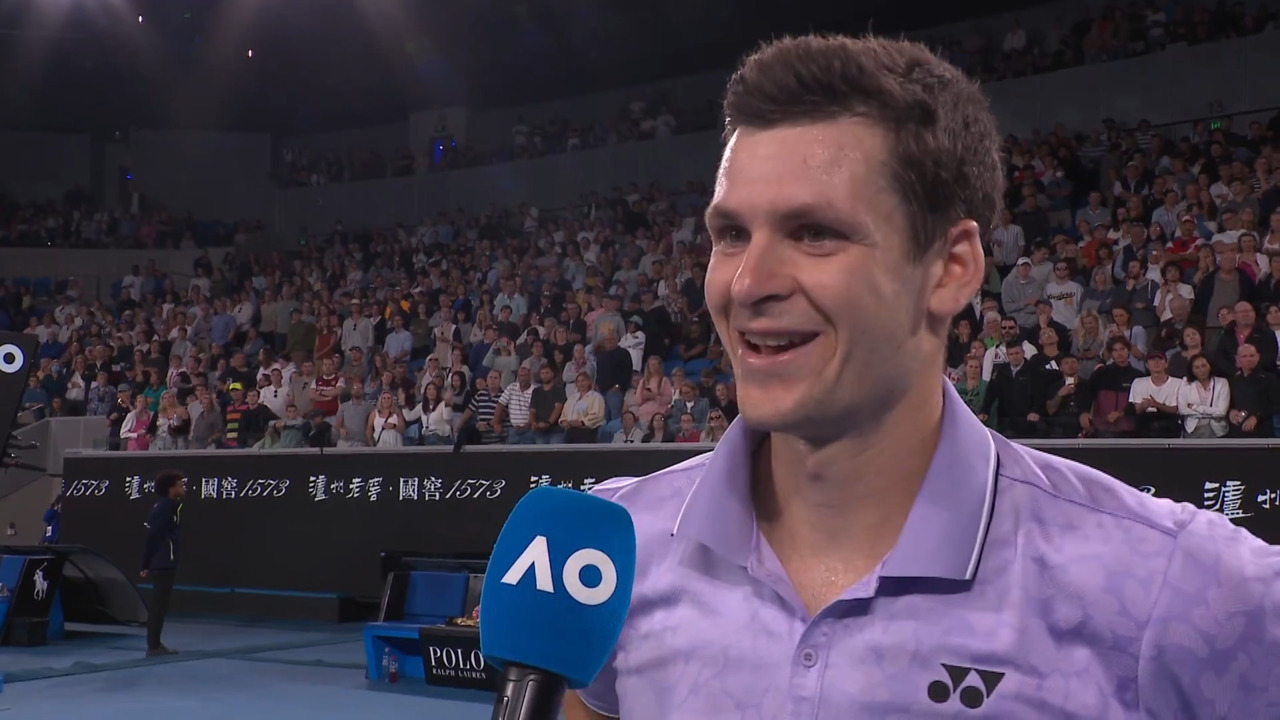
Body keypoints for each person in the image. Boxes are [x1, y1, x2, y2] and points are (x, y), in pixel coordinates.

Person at [567, 35, 1280, 720]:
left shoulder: (1172, 584)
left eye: (815, 232)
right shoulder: (612, 546)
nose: (748, 282)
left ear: (952, 267)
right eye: (730, 235)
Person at [140, 469, 186, 658]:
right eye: (181, 485)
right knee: (158, 606)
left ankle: (156, 644)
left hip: (165, 561)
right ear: (171, 488)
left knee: (161, 605)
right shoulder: (165, 507)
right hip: (162, 562)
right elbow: (153, 536)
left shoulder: (170, 506)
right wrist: (146, 564)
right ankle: (153, 646)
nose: (184, 488)